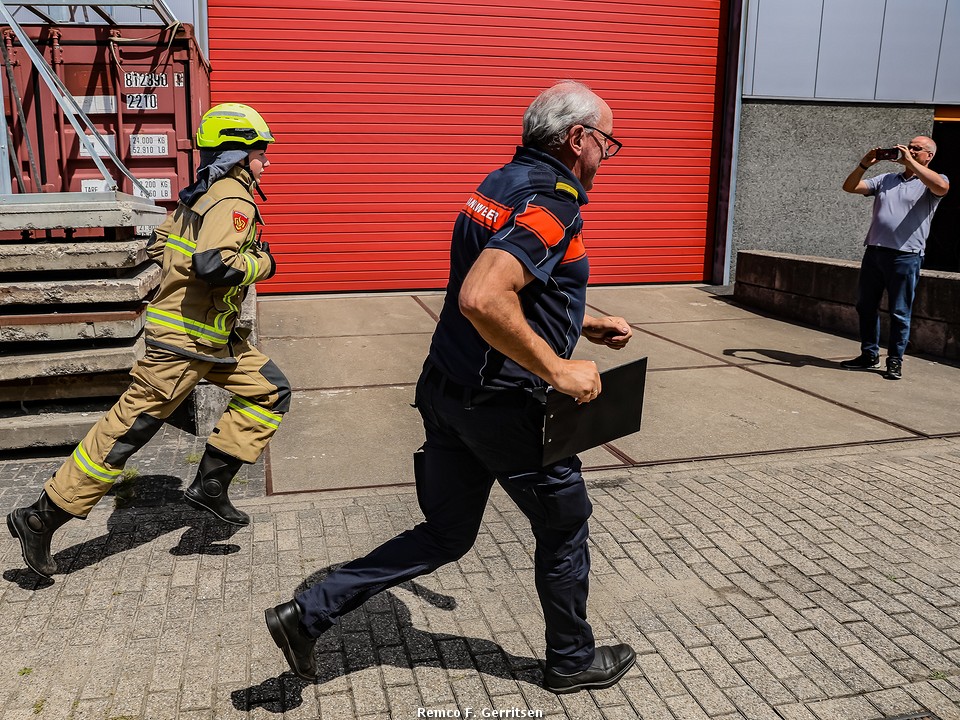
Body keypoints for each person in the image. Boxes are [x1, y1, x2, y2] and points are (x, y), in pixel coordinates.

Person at [264, 81, 637, 694]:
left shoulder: (499, 183)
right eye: (607, 142)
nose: (607, 155)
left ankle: (308, 614)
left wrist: (583, 323)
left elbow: (517, 287)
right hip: (507, 408)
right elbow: (482, 296)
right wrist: (559, 368)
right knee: (564, 525)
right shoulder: (554, 202)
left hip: (447, 391)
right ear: (577, 139)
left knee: (446, 534)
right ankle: (572, 660)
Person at [7, 103, 290, 579]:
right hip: (185, 345)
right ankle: (40, 517)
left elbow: (160, 245)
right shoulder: (232, 198)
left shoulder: (199, 193)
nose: (267, 160)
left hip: (212, 339)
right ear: (239, 153)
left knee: (270, 390)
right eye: (262, 152)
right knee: (125, 433)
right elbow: (214, 266)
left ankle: (211, 486)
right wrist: (264, 262)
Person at [840, 136, 949, 380]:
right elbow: (849, 187)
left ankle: (895, 360)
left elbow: (942, 188)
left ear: (929, 156)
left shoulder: (932, 181)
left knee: (899, 311)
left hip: (906, 256)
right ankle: (869, 355)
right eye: (909, 146)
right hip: (875, 251)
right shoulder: (887, 179)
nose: (909, 150)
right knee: (865, 306)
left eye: (916, 148)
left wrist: (911, 163)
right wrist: (864, 164)